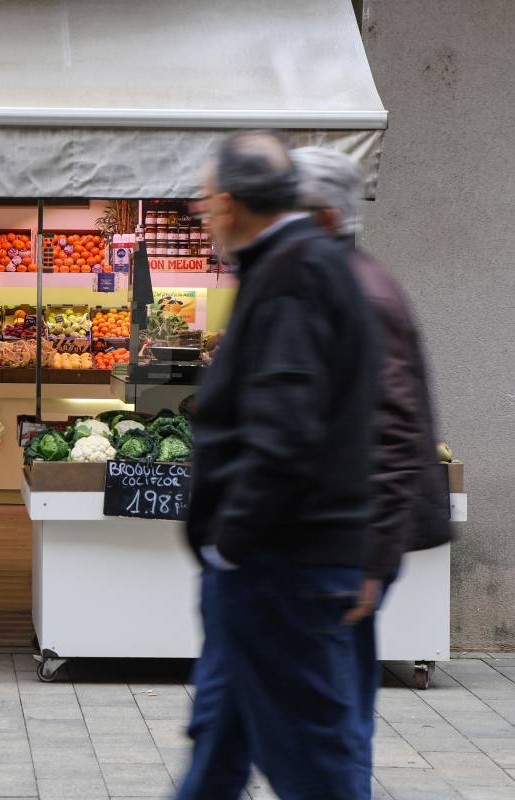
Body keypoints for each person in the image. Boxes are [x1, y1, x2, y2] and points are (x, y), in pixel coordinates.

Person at [176, 130, 378, 800]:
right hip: (274, 564)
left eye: (204, 206)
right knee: (218, 744)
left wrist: (233, 542)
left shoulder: (293, 276)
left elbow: (286, 435)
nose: (203, 221)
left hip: (278, 568)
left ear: (230, 206)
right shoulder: (304, 265)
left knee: (313, 766)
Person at [292, 146, 453, 796]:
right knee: (335, 697)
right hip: (344, 534)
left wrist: (370, 559)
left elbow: (391, 433)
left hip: (352, 541)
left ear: (326, 217)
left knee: (329, 705)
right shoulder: (339, 283)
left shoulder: (359, 296)